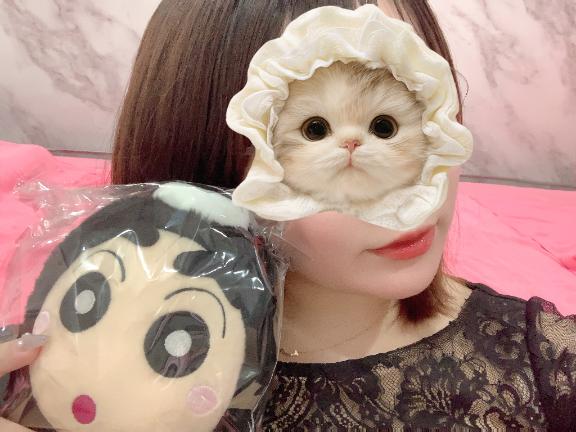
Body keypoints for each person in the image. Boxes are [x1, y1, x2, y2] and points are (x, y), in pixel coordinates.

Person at [3, 0, 575, 430]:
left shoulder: (541, 365)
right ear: (207, 159)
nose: (413, 192)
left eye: (402, 119)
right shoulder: (69, 366)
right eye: (312, 129)